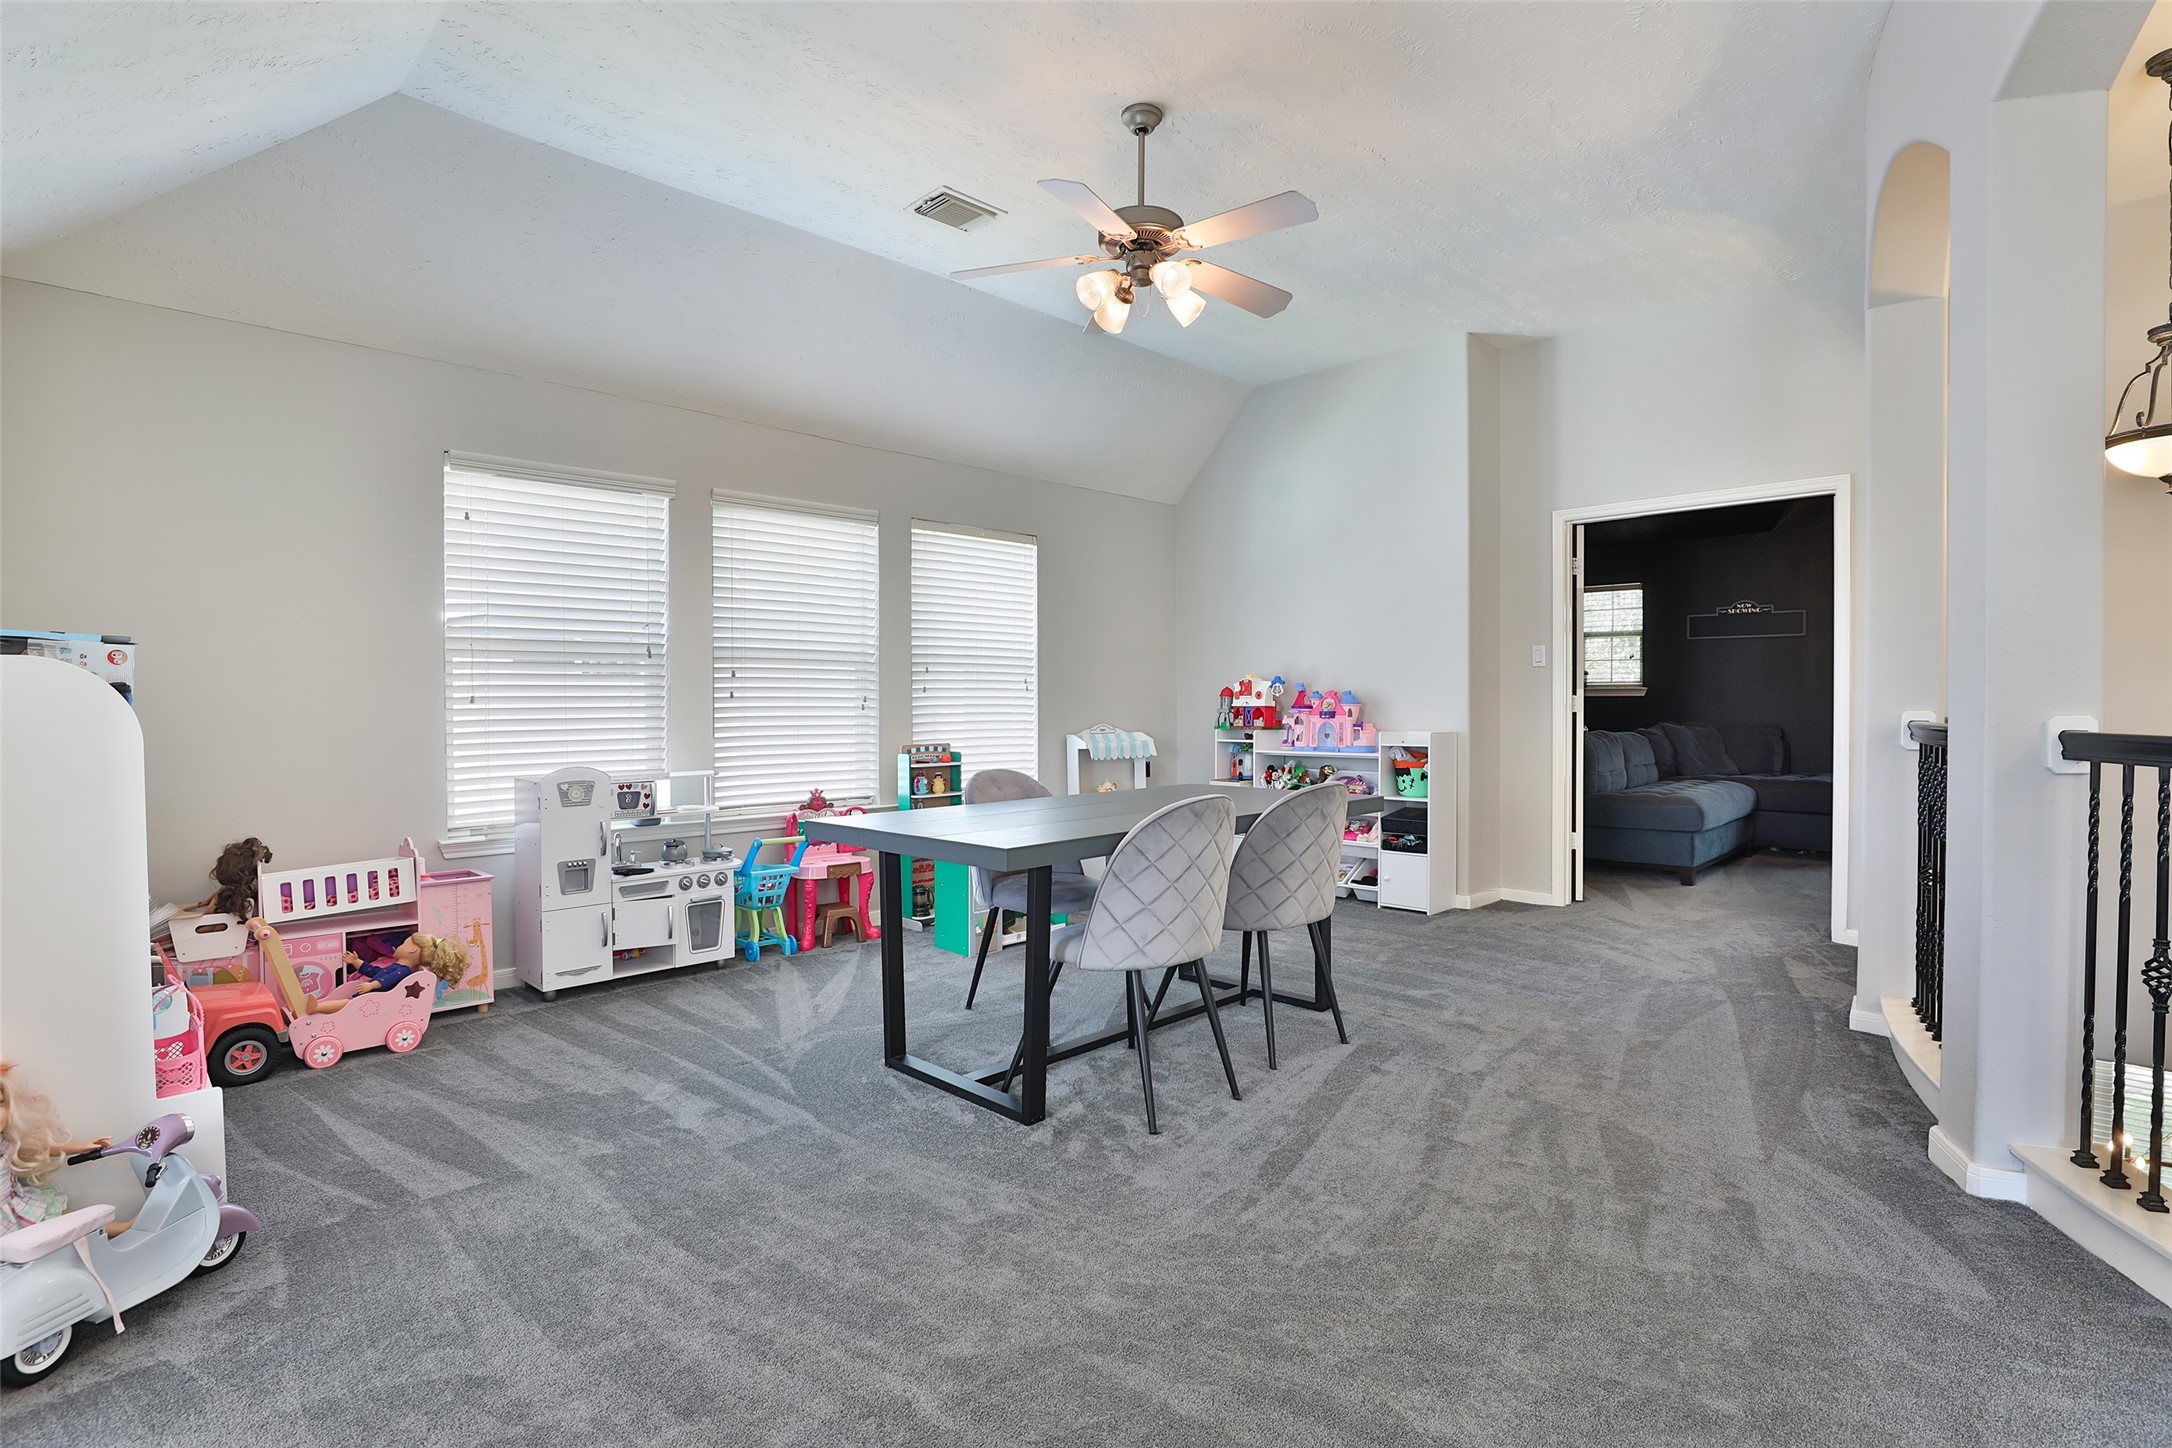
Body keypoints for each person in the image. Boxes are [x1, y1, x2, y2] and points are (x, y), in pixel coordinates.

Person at [0, 1057, 128, 1237]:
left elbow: (37, 1151)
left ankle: (123, 1229)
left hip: (16, 1207)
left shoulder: (6, 1142)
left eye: (0, 1103)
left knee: (65, 1221)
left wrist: (79, 1147)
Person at [303, 931, 468, 1015]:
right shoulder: (398, 966)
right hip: (371, 997)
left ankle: (317, 1007)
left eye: (403, 944)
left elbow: (387, 980)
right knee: (345, 1002)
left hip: (374, 1000)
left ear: (412, 950)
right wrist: (357, 962)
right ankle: (317, 1007)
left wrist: (371, 986)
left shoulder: (403, 971)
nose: (399, 946)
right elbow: (377, 971)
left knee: (346, 1004)